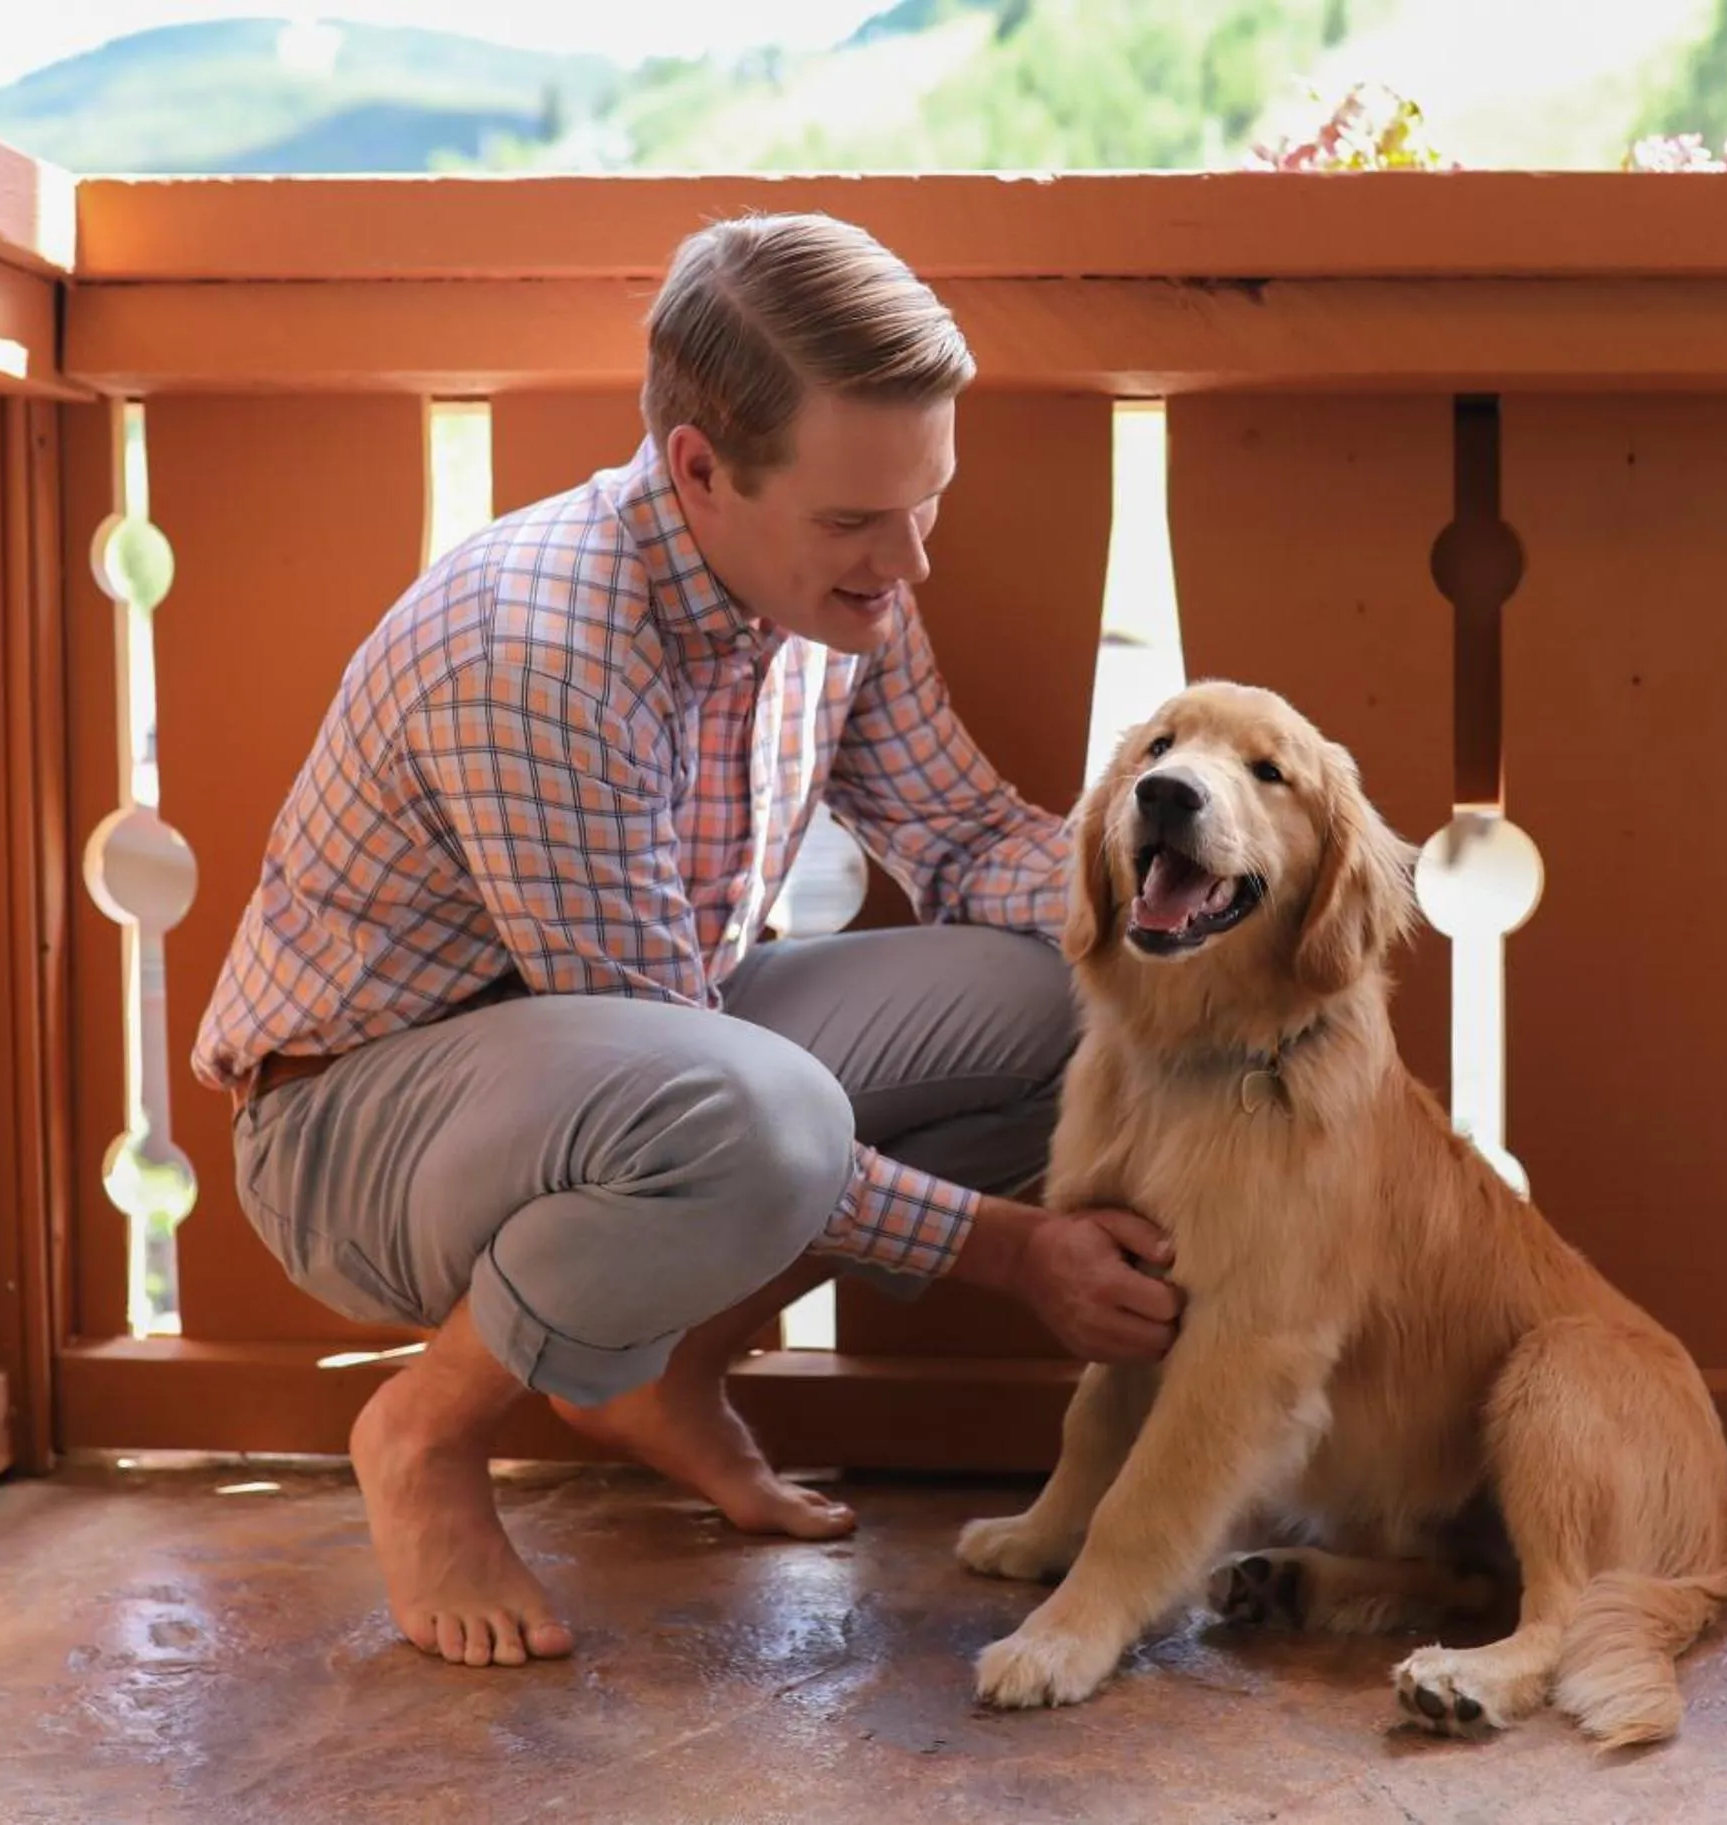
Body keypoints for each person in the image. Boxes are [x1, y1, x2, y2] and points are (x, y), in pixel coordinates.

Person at [189, 211, 1183, 1671]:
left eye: (927, 504)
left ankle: (652, 1374)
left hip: (653, 1065)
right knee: (750, 1115)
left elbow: (966, 841)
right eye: (854, 521)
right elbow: (679, 1066)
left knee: (1072, 1000)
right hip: (354, 1131)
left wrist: (1192, 903)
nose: (906, 560)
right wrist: (1015, 1251)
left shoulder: (842, 587)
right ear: (700, 471)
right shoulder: (538, 653)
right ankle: (423, 1433)